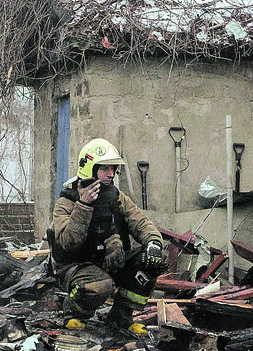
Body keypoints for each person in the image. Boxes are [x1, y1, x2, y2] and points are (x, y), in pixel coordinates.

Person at [48, 138, 166, 335]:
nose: (111, 174)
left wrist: (154, 242)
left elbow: (140, 222)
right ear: (90, 169)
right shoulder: (66, 203)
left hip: (110, 261)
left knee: (154, 259)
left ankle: (121, 317)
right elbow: (69, 243)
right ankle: (74, 312)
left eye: (113, 169)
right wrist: (84, 206)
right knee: (100, 285)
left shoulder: (117, 197)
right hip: (77, 267)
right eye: (105, 169)